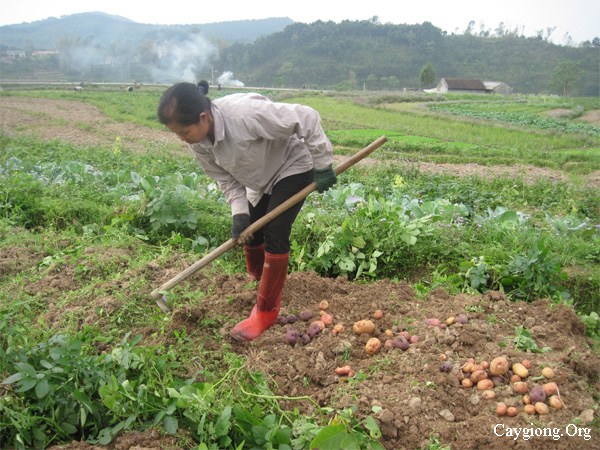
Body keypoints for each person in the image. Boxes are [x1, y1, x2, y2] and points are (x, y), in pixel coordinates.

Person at [157, 80, 337, 341]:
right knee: (252, 228)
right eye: (177, 134)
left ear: (204, 117)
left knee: (275, 230)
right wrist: (239, 213)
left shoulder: (245, 114)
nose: (182, 139)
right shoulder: (197, 143)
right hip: (259, 179)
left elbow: (306, 117)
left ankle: (266, 311)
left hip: (291, 165)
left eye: (184, 131)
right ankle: (258, 278)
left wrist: (322, 164)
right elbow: (226, 180)